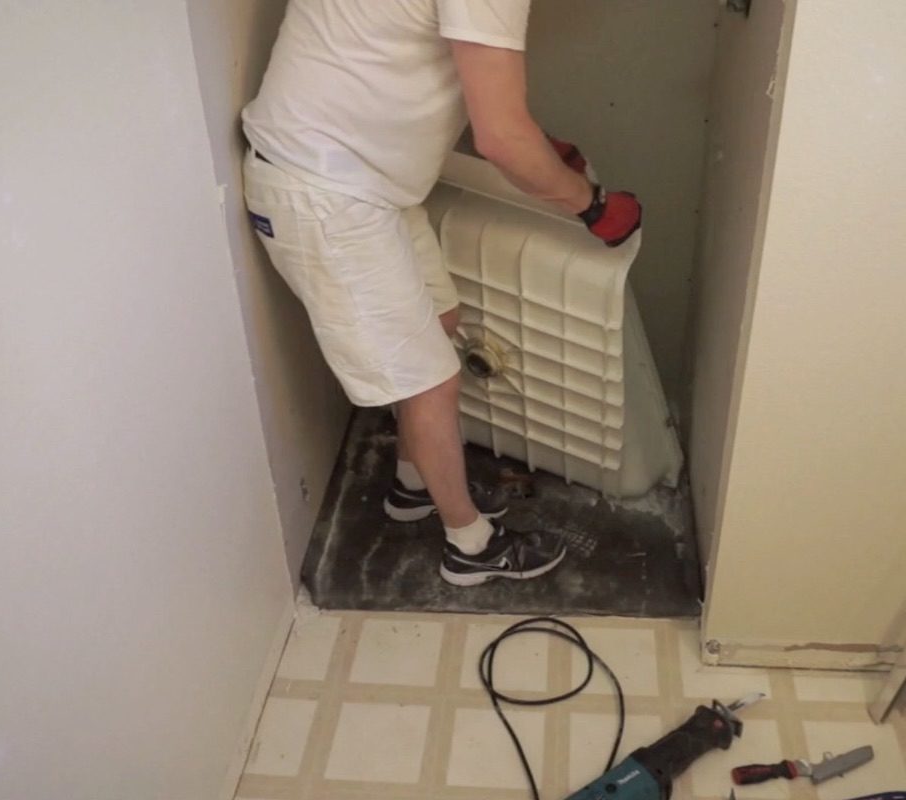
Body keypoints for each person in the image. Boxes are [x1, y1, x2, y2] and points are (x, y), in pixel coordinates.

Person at [242, 1, 642, 587]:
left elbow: (414, 61)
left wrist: (541, 150)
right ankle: (471, 547)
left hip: (364, 182)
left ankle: (414, 485)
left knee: (442, 319)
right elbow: (501, 137)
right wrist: (592, 204)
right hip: (324, 191)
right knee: (429, 379)